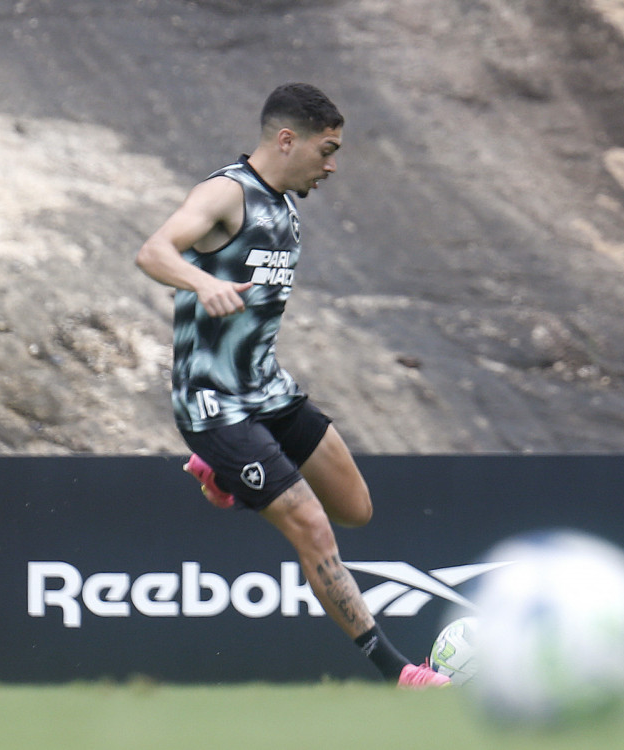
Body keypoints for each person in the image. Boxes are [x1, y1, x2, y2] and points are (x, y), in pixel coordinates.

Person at [135, 82, 449, 688]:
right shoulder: (227, 193)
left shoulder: (286, 205)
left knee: (355, 509)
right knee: (312, 526)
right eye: (326, 150)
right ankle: (401, 674)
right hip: (214, 404)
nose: (331, 165)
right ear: (287, 139)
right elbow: (153, 251)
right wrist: (200, 283)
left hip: (267, 390)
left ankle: (220, 471)